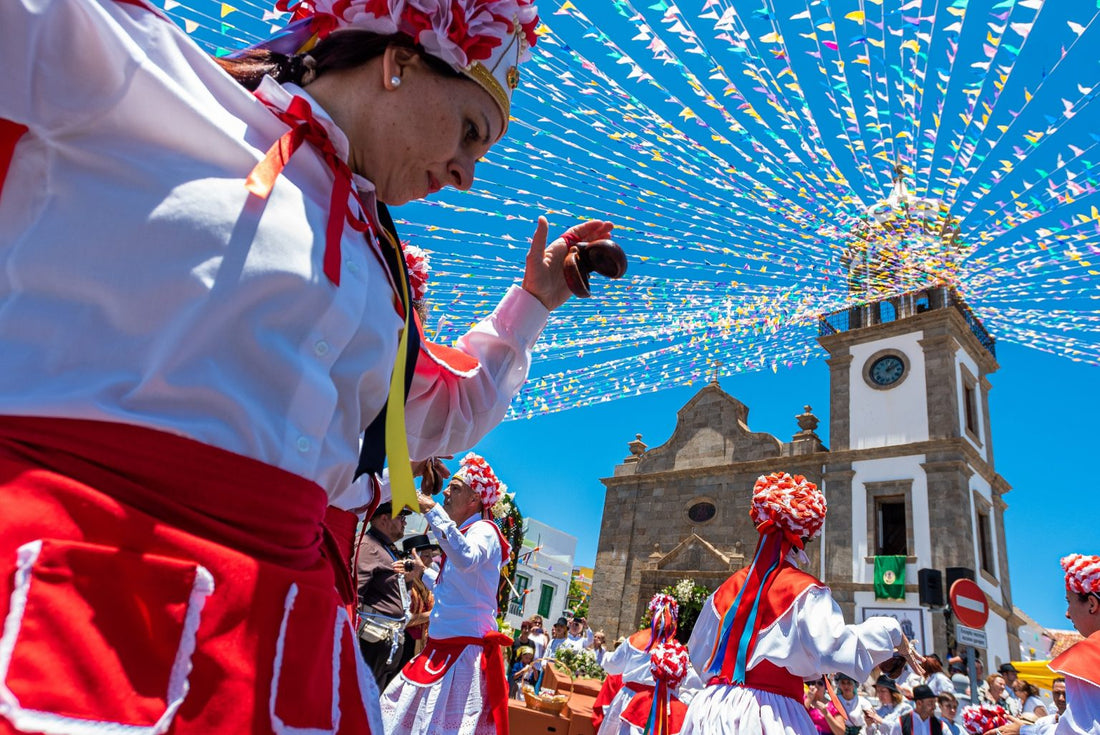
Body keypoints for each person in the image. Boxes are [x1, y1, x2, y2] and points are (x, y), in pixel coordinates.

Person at [0, 0, 618, 731]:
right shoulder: (149, 82)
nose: (465, 175)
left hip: (282, 647)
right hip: (80, 596)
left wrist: (535, 301)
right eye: (469, 132)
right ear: (399, 65)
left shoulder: (376, 269)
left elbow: (440, 409)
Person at [680, 473, 923, 735]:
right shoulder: (805, 590)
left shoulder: (722, 591)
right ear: (805, 539)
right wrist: (893, 632)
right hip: (769, 714)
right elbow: (833, 648)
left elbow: (698, 654)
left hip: (710, 710)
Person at [381, 453, 514, 735]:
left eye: (455, 488)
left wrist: (431, 509)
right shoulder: (463, 533)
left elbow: (467, 558)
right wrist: (422, 574)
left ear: (474, 500)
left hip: (463, 652)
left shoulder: (485, 530)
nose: (446, 493)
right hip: (443, 648)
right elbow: (452, 590)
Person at [997, 553, 1100, 735]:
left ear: (1091, 604)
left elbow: (1080, 731)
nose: (1067, 613)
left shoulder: (1088, 658)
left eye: (1069, 601)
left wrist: (1025, 731)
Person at [597, 593, 703, 735]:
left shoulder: (635, 640)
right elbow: (693, 684)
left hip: (628, 700)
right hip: (661, 706)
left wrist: (601, 654)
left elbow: (613, 665)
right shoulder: (676, 650)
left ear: (650, 615)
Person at [356, 496, 415, 688]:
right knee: (359, 696)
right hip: (371, 639)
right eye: (400, 517)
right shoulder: (369, 546)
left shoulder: (385, 549)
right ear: (383, 519)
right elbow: (355, 592)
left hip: (386, 639)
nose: (405, 521)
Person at [399, 534, 436, 662]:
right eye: (427, 555)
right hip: (405, 642)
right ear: (414, 558)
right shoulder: (403, 581)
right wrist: (433, 614)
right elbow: (404, 619)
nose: (431, 560)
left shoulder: (426, 583)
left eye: (432, 556)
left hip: (422, 639)